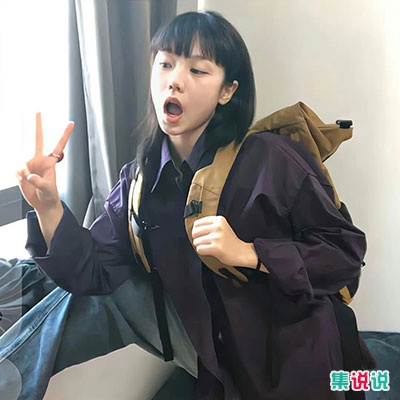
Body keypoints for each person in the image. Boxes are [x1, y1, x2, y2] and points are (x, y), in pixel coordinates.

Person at [11, 10, 366, 400]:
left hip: (302, 365)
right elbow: (92, 273)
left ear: (227, 91)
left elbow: (345, 254)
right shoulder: (139, 181)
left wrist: (251, 253)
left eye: (197, 70)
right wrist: (48, 208)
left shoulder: (271, 158)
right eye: (165, 64)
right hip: (215, 369)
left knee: (374, 380)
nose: (175, 80)